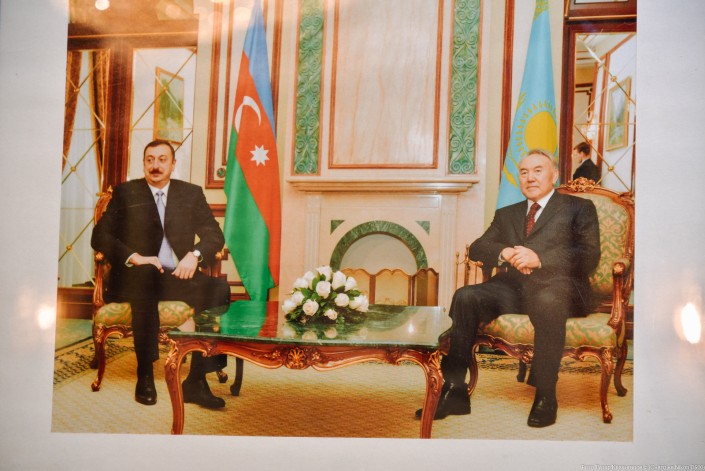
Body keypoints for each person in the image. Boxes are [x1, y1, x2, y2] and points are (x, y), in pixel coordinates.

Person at [417, 149, 600, 427]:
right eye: (524, 172)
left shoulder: (579, 208)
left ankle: (546, 395)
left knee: (547, 301)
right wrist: (504, 252)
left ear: (554, 175)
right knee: (466, 296)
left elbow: (589, 255)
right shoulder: (508, 214)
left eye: (537, 170)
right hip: (516, 288)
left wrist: (540, 259)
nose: (530, 178)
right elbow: (478, 247)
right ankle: (454, 390)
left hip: (560, 287)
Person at [92, 139, 230, 408]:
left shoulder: (190, 194)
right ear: (144, 163)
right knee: (145, 276)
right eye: (150, 159)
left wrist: (194, 255)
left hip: (174, 276)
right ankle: (145, 374)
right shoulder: (126, 193)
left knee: (219, 289)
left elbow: (214, 234)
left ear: (173, 164)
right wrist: (135, 257)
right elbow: (100, 236)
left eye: (162, 159)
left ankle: (197, 380)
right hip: (135, 277)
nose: (155, 165)